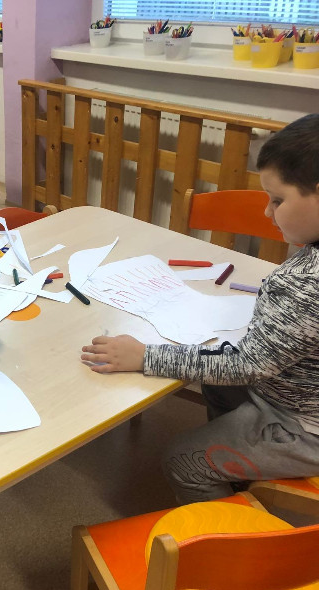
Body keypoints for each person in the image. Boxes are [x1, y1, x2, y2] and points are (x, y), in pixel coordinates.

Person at [80, 113, 319, 505]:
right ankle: (239, 469)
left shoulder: (305, 284)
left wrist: (145, 356)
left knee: (182, 459)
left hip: (303, 425)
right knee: (216, 379)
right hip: (298, 393)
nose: (267, 212)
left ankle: (232, 532)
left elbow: (246, 366)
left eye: (278, 200)